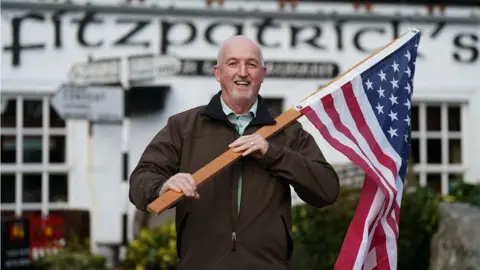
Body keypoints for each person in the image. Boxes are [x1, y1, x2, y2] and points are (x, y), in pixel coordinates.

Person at [129, 35, 340, 270]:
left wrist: (273, 153)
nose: (243, 72)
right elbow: (140, 180)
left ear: (263, 74)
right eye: (233, 63)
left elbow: (327, 189)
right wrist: (162, 185)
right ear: (217, 73)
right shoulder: (184, 127)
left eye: (251, 64)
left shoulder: (287, 131)